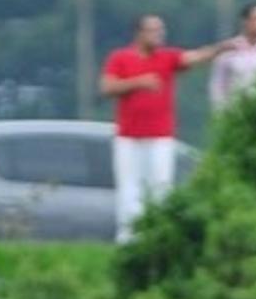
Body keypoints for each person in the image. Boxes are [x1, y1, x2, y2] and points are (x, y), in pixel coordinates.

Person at [99, 14, 235, 241]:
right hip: (129, 136)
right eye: (153, 30)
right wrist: (138, 82)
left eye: (160, 30)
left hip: (160, 135)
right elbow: (107, 87)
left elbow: (194, 57)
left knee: (161, 187)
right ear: (140, 33)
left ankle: (158, 235)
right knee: (129, 189)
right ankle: (129, 237)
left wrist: (220, 48)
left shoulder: (167, 57)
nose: (159, 35)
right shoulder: (120, 57)